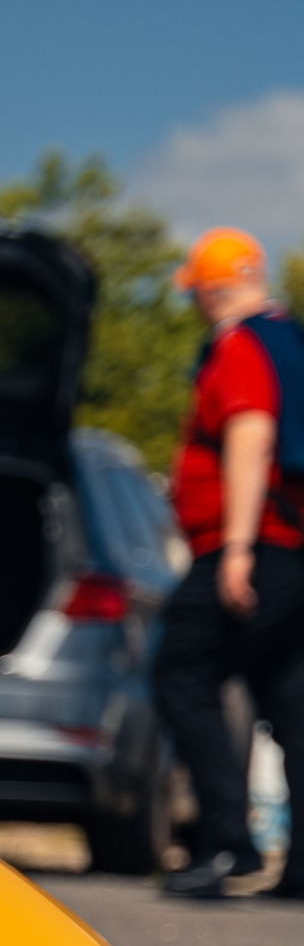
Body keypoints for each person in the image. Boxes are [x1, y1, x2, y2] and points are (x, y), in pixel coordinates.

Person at [153, 225, 304, 901]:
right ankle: (300, 867)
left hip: (251, 544)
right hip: (293, 548)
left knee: (181, 670)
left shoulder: (240, 347)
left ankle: (226, 844)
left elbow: (251, 435)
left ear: (211, 289)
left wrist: (237, 548)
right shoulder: (290, 339)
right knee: (289, 694)